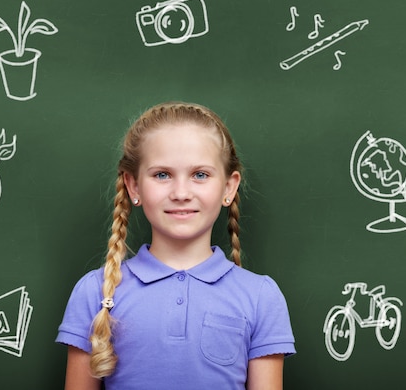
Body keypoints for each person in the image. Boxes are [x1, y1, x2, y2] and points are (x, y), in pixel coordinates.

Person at [56, 102, 295, 389]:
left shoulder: (261, 297)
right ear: (133, 187)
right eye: (162, 175)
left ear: (229, 188)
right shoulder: (94, 292)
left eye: (200, 175)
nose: (181, 193)